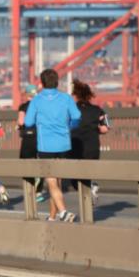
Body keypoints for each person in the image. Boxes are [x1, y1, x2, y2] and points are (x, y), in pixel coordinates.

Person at [24, 68, 81, 223]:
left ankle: (63, 212)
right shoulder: (66, 98)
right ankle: (52, 216)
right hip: (64, 144)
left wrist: (39, 121)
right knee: (57, 182)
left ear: (41, 83)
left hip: (45, 145)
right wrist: (69, 126)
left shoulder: (37, 100)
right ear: (57, 82)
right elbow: (77, 116)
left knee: (51, 181)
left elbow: (28, 122)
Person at [70, 80, 109, 203]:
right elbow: (105, 129)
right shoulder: (98, 110)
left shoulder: (70, 110)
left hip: (75, 146)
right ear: (88, 95)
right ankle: (91, 188)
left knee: (73, 177)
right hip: (93, 146)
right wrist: (94, 128)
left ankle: (90, 189)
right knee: (87, 174)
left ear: (75, 95)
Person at [17, 83, 44, 202]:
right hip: (42, 137)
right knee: (41, 163)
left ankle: (31, 189)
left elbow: (21, 122)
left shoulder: (24, 107)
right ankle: (38, 192)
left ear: (26, 94)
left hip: (29, 137)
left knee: (25, 163)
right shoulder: (41, 105)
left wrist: (18, 127)